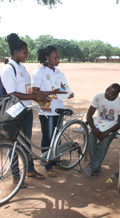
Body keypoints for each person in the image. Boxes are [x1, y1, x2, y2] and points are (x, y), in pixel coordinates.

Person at [0, 33, 54, 187]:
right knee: (15, 144)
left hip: (26, 110)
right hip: (15, 112)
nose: (26, 55)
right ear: (15, 52)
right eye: (24, 52)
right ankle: (16, 176)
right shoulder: (8, 69)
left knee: (26, 142)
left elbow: (25, 89)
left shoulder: (21, 66)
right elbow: (12, 94)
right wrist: (35, 96)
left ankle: (30, 169)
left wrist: (36, 98)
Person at [32, 45, 74, 178]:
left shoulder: (57, 72)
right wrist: (52, 92)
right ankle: (47, 165)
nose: (57, 60)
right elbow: (35, 92)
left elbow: (62, 88)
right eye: (55, 58)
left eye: (58, 58)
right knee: (48, 138)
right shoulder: (39, 72)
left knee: (57, 137)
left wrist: (68, 94)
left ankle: (55, 159)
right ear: (46, 58)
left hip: (58, 109)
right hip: (47, 111)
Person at [84, 83, 120, 178]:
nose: (107, 93)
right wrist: (94, 129)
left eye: (110, 93)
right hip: (97, 126)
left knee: (105, 142)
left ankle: (92, 167)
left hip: (111, 128)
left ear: (116, 95)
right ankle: (96, 167)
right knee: (91, 139)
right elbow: (89, 115)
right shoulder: (99, 97)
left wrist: (107, 132)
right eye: (107, 90)